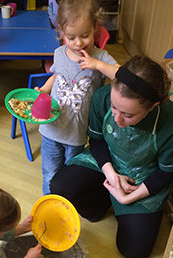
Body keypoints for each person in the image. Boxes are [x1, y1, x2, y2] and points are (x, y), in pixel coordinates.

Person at [50, 55, 173, 258]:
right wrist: (112, 175)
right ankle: (102, 204)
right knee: (60, 186)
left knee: (134, 251)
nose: (117, 118)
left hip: (143, 175)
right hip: (109, 160)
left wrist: (129, 197)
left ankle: (119, 203)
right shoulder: (103, 96)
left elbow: (165, 173)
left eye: (128, 115)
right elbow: (97, 141)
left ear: (153, 106)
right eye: (114, 107)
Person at [34, 0, 120, 195]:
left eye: (85, 35)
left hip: (76, 133)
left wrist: (97, 65)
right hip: (50, 129)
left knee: (69, 175)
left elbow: (122, 74)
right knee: (49, 174)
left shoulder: (100, 56)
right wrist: (45, 91)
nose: (78, 43)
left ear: (95, 29)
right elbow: (56, 76)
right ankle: (50, 205)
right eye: (71, 37)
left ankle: (66, 206)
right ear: (61, 32)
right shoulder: (58, 53)